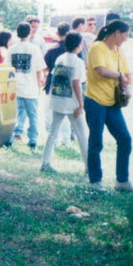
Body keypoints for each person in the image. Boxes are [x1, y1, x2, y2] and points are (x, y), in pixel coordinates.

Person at [84, 19, 133, 192]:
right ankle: (95, 181)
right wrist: (120, 76)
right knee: (96, 141)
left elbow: (127, 73)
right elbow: (101, 70)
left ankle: (122, 181)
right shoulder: (97, 47)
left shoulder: (118, 51)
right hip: (95, 101)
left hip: (112, 103)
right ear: (117, 33)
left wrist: (127, 88)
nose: (126, 39)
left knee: (125, 139)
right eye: (126, 35)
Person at [41, 31, 88, 173]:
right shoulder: (78, 62)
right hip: (72, 104)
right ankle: (89, 166)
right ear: (79, 45)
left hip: (58, 100)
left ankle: (45, 163)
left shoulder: (60, 58)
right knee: (81, 135)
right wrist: (81, 104)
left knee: (53, 133)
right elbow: (76, 84)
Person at [7, 22, 46, 152]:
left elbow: (8, 69)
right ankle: (33, 141)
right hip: (30, 88)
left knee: (14, 115)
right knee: (33, 116)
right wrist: (38, 85)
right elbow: (39, 69)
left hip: (15, 87)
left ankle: (10, 139)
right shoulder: (34, 49)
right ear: (29, 33)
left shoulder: (12, 49)